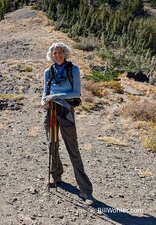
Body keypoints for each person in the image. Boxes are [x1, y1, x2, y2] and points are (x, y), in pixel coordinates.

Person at [41, 42, 94, 206]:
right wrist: (43, 100)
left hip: (66, 112)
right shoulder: (48, 72)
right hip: (50, 111)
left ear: (65, 53)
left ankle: (85, 190)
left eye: (60, 52)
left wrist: (56, 97)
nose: (57, 55)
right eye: (54, 53)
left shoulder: (74, 70)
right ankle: (55, 176)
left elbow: (76, 93)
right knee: (52, 145)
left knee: (73, 150)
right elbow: (45, 92)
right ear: (51, 55)